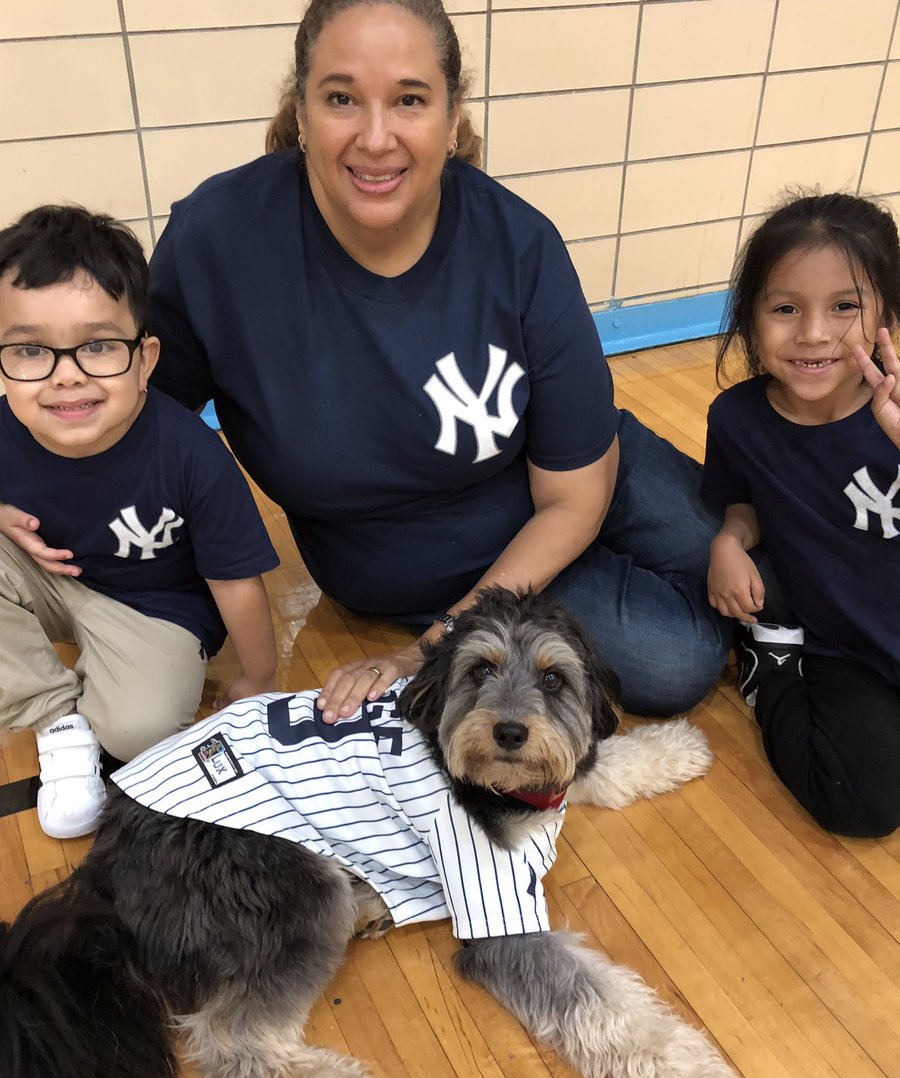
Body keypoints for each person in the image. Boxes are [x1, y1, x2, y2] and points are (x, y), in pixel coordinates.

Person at [3, 0, 730, 726]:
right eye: (342, 98)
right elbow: (120, 412)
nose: (375, 137)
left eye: (409, 100)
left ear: (451, 119)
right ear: (302, 111)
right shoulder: (219, 242)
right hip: (424, 565)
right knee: (678, 659)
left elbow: (573, 494)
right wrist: (435, 646)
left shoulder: (518, 244)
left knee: (738, 547)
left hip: (567, 473)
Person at [0, 205, 279, 838]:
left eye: (97, 345)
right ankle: (58, 721)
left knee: (141, 730)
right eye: (30, 349)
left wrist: (258, 677)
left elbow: (238, 580)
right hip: (50, 583)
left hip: (156, 607)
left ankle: (94, 691)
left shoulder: (191, 455)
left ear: (146, 359)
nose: (65, 373)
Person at [703, 192, 900, 838]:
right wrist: (730, 540)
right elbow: (745, 501)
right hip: (843, 652)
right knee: (862, 805)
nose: (814, 334)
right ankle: (776, 665)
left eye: (844, 307)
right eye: (785, 308)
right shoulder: (738, 419)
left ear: (887, 318)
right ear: (751, 317)